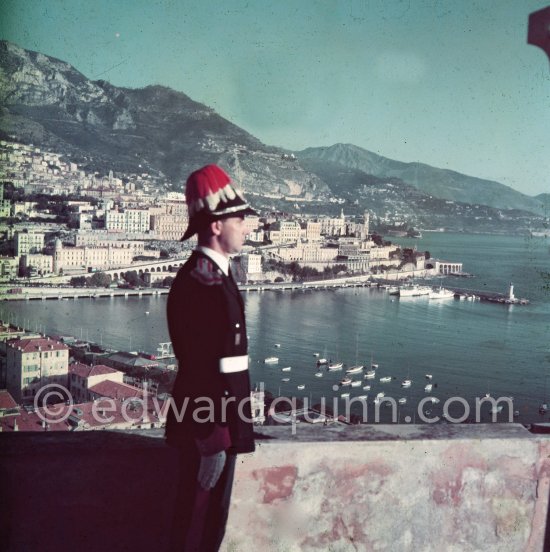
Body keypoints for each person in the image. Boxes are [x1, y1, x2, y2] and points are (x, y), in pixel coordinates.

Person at [165, 164, 257, 551]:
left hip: (220, 429)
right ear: (216, 226)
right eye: (239, 218)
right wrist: (212, 440)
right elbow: (203, 368)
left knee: (209, 526)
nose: (247, 226)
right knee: (198, 528)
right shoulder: (203, 282)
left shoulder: (214, 275)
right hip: (210, 433)